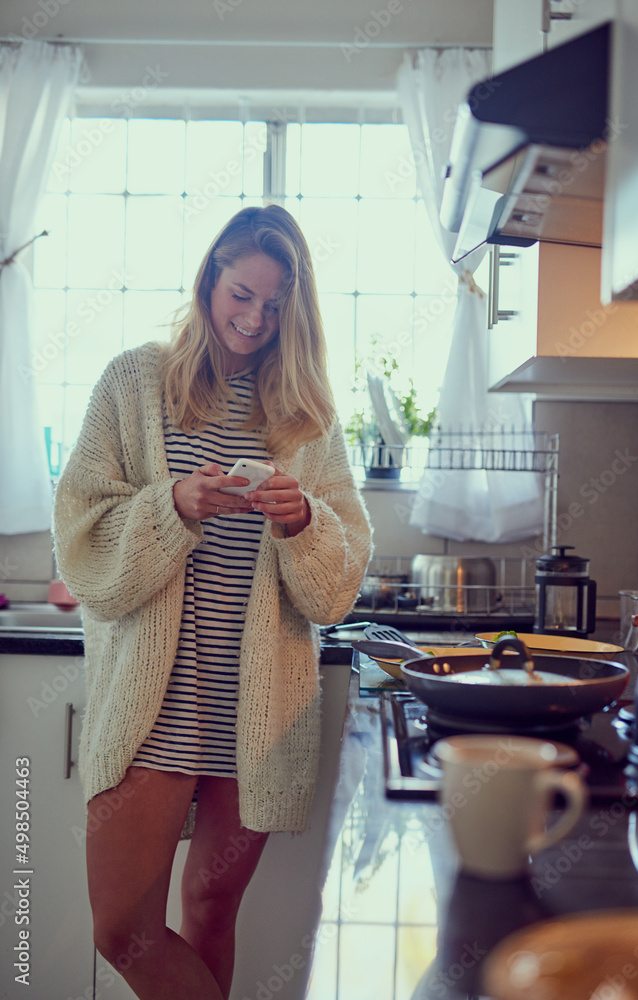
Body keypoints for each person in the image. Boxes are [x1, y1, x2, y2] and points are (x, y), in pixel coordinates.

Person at [52, 204, 373, 1000]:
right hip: (153, 705)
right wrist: (174, 506)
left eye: (274, 306)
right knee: (121, 929)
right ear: (208, 282)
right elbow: (82, 539)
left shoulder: (308, 418)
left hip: (258, 708)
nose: (254, 318)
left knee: (210, 908)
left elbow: (335, 586)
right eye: (241, 293)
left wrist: (303, 521)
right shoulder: (134, 383)